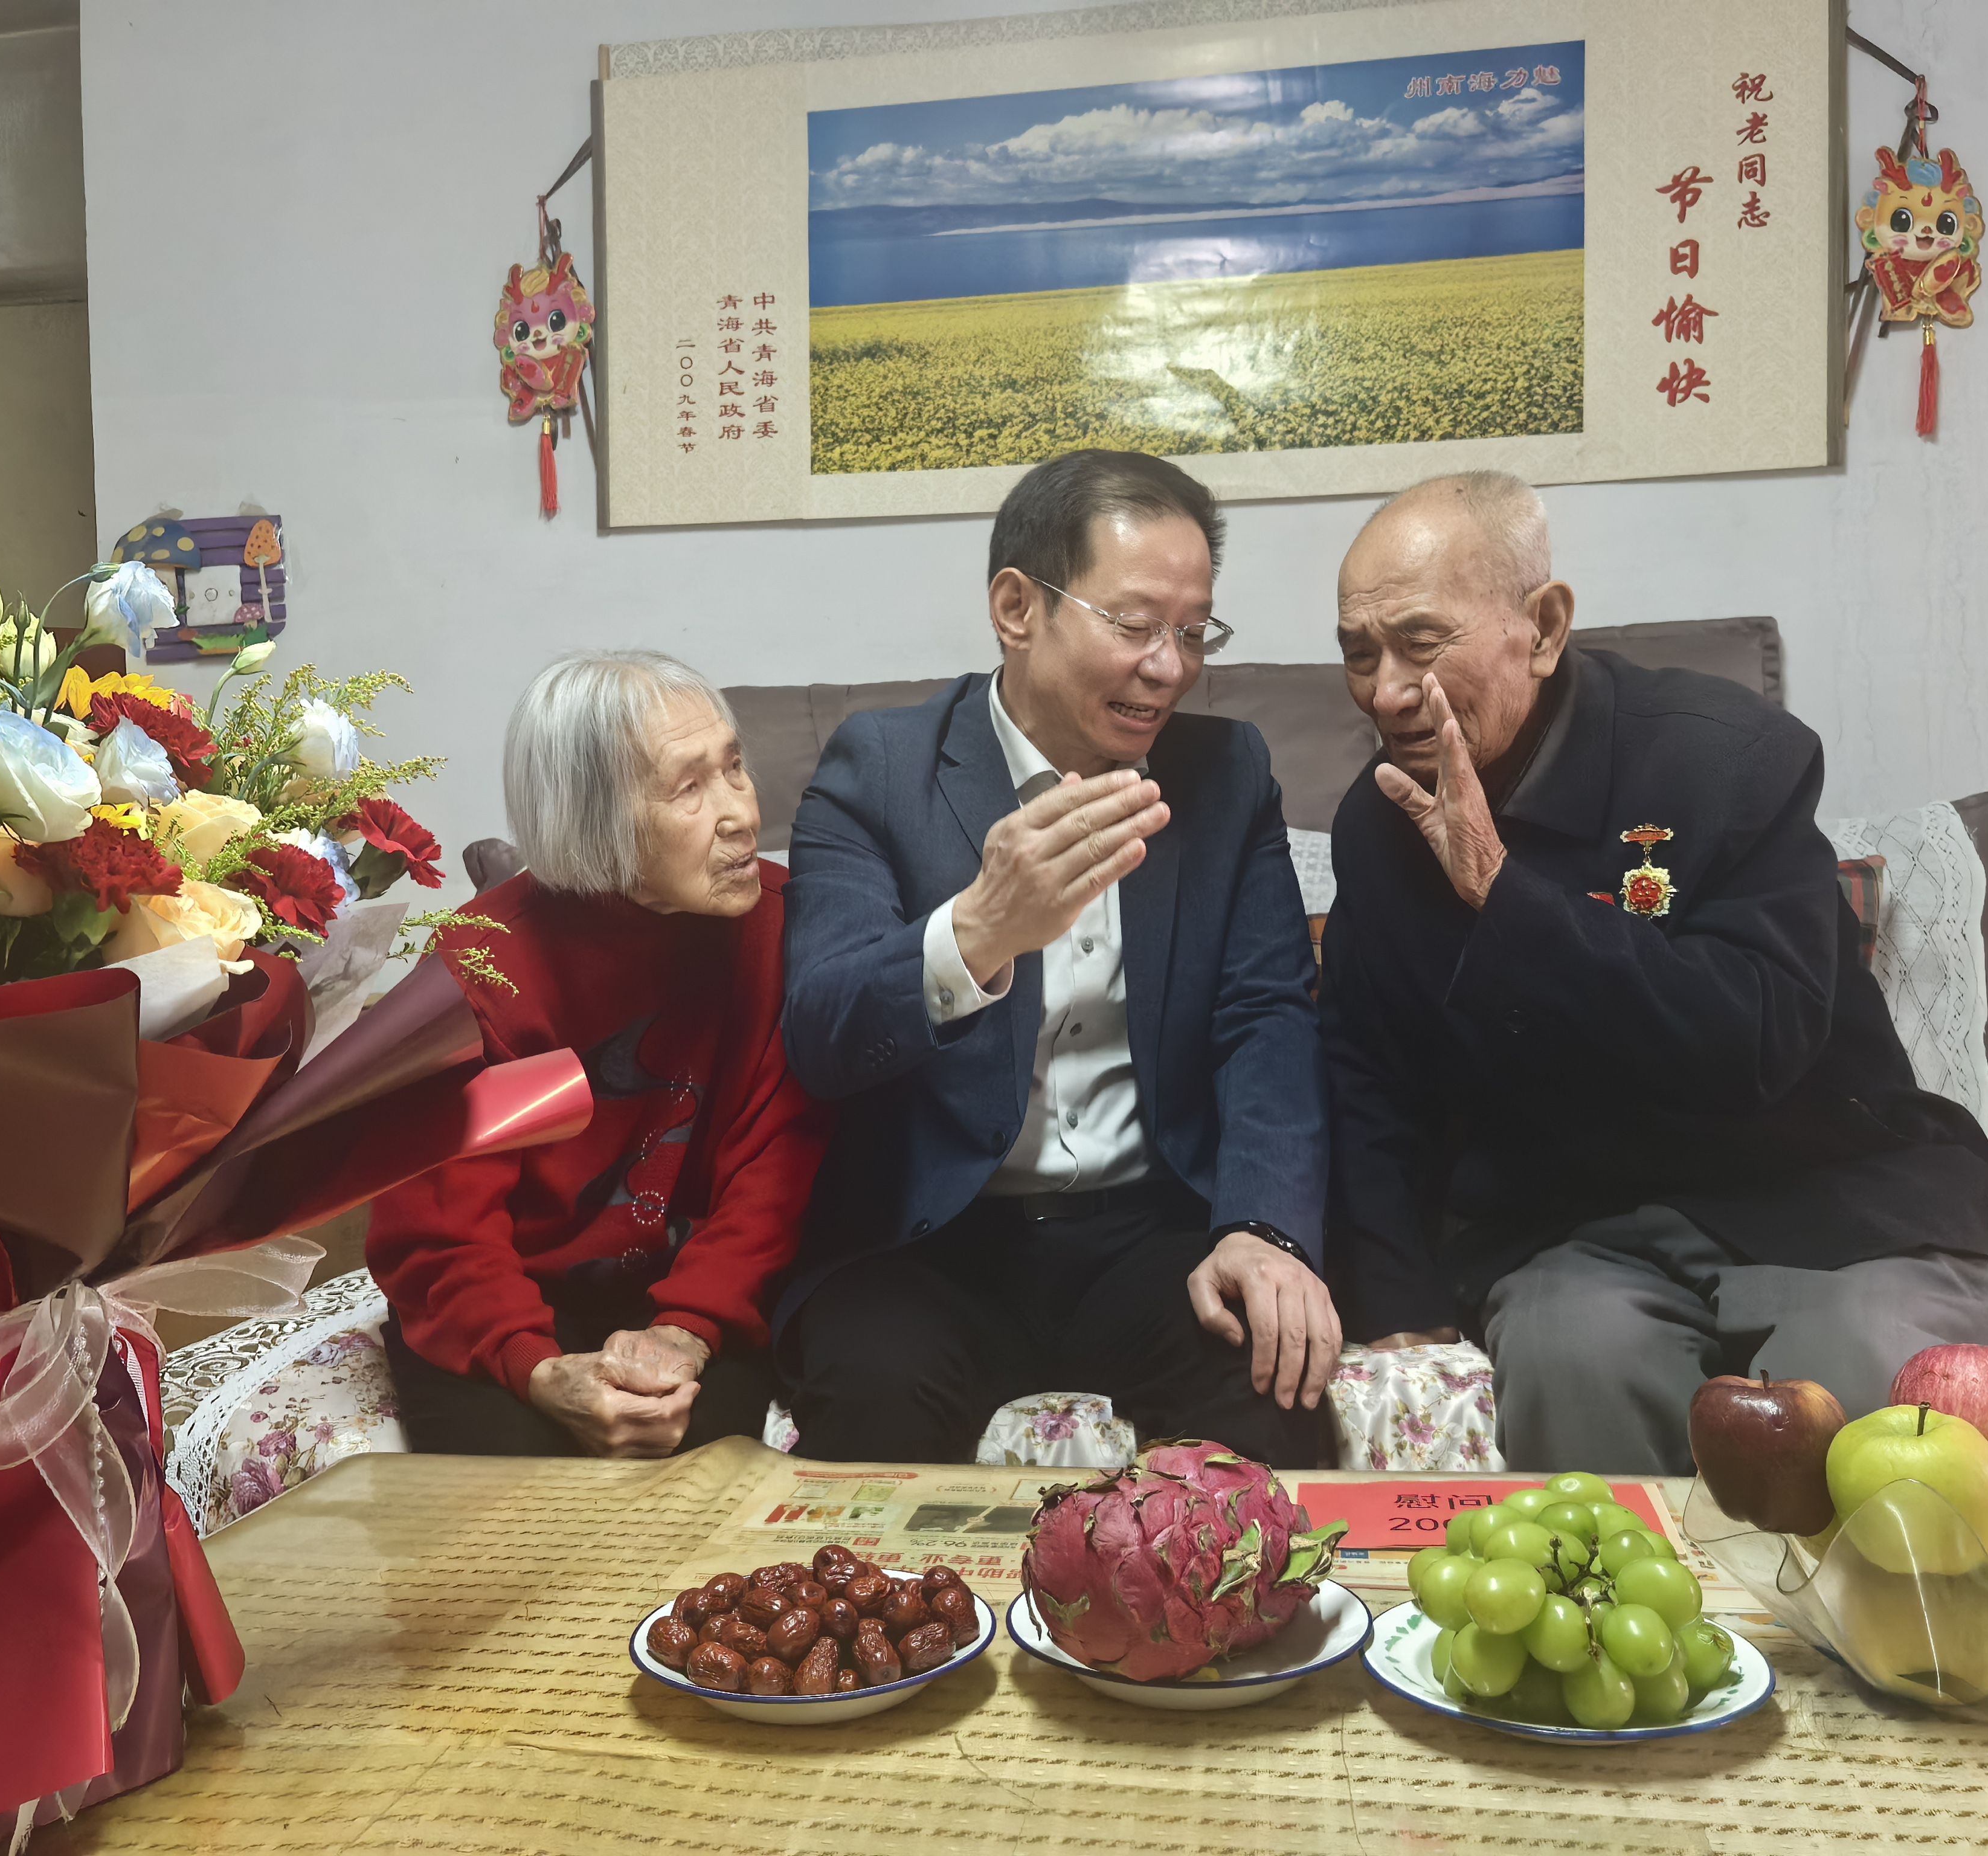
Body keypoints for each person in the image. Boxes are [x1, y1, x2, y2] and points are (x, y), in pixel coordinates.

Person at [1322, 471, 1988, 1474]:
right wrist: (1400, 1304)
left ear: (1543, 628)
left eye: (1420, 643)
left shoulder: (1725, 760)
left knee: (1861, 1394)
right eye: (1359, 653)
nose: (1386, 691)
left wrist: (1506, 894)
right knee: (1574, 1363)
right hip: (1578, 1230)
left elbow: (1759, 1038)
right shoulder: (1379, 822)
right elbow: (1366, 1075)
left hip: (1834, 1200)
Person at [777, 448, 1336, 1468]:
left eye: (1193, 632)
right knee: (873, 1399)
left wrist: (1264, 1229)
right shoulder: (880, 770)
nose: (1169, 668)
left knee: (1267, 1390)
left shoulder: (1224, 774)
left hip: (1150, 1232)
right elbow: (821, 1031)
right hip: (932, 1242)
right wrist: (980, 930)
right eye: (1134, 624)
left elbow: (1267, 1018)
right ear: (1017, 608)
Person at [366, 651, 828, 1458]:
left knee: (699, 1476)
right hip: (511, 1295)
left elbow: (771, 1184)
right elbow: (439, 1230)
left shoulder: (787, 931)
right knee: (512, 1502)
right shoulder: (480, 966)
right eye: (690, 788)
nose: (742, 813)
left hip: (691, 1292)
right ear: (591, 816)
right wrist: (536, 1366)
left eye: (735, 768)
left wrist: (687, 1331)